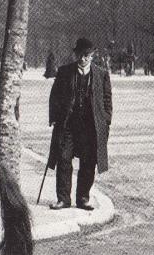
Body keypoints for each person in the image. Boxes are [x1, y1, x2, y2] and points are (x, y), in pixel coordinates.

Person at [47, 37, 112, 211]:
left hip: (90, 127)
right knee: (63, 159)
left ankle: (83, 198)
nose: (82, 59)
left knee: (88, 162)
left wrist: (105, 121)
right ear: (75, 55)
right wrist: (54, 117)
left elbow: (107, 100)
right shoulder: (65, 72)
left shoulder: (101, 74)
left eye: (86, 55)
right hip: (68, 125)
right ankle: (63, 199)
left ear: (92, 56)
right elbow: (55, 96)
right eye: (80, 55)